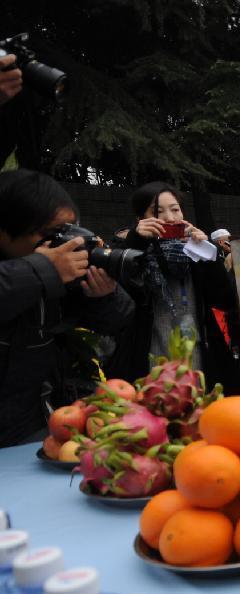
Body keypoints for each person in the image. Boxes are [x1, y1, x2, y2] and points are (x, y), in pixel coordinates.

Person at [0, 170, 134, 446]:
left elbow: (118, 320)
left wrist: (103, 296)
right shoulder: (44, 268)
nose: (63, 243)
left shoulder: (55, 269)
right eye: (51, 234)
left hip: (30, 426)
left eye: (67, 231)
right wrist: (43, 270)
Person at [106, 182, 240, 391]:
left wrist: (209, 254)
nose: (170, 218)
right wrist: (135, 242)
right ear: (140, 219)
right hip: (150, 362)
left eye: (175, 209)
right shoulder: (128, 253)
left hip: (199, 362)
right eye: (158, 212)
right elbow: (121, 295)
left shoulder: (195, 253)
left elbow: (226, 299)